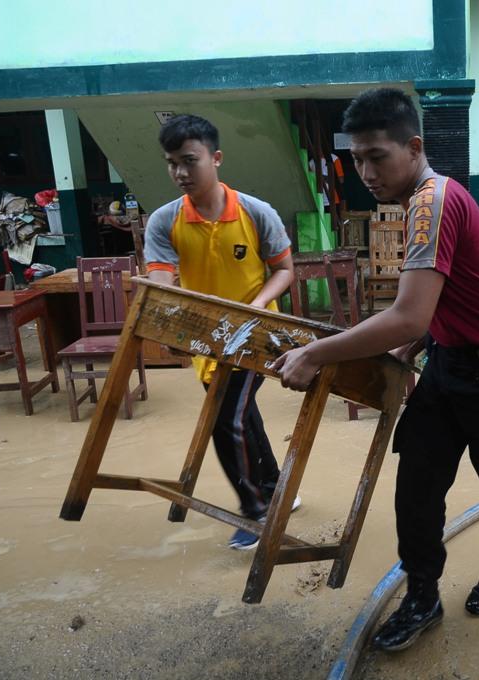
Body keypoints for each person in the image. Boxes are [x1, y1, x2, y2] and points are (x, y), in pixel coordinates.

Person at [274, 88, 479, 652]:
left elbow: (404, 314)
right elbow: (443, 300)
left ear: (414, 146)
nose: (366, 171)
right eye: (357, 159)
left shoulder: (433, 200)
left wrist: (314, 352)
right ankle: (422, 594)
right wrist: (422, 341)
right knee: (417, 484)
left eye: (378, 156)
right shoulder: (420, 200)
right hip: (448, 361)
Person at [143, 114, 299, 549]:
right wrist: (167, 308)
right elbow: (160, 277)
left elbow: (284, 270)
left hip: (256, 334)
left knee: (224, 418)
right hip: (205, 339)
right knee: (242, 414)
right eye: (171, 162)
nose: (179, 172)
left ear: (216, 158)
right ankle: (275, 487)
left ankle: (255, 511)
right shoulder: (164, 221)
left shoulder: (255, 211)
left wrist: (254, 309)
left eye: (189, 161)